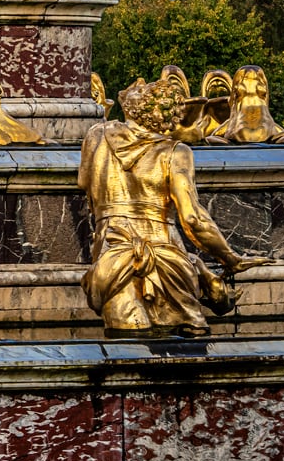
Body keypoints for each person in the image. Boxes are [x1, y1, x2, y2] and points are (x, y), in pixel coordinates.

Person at [80, 73, 265, 336]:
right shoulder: (176, 153)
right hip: (169, 259)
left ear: (131, 107)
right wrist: (229, 258)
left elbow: (84, 183)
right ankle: (208, 281)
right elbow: (192, 219)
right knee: (183, 350)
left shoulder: (95, 137)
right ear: (171, 117)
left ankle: (206, 280)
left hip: (111, 254)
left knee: (126, 342)